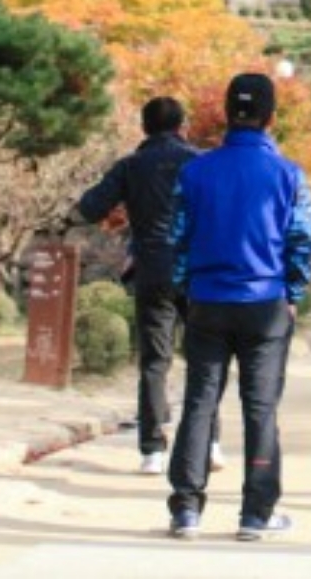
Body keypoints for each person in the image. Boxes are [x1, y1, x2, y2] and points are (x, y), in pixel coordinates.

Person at [164, 71, 311, 542]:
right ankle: (256, 513)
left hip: (207, 300)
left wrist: (184, 286)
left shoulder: (194, 171)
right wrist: (293, 292)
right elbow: (301, 240)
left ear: (227, 113)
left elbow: (178, 238)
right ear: (271, 117)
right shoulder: (289, 174)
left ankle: (186, 509)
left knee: (198, 402)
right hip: (264, 302)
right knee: (260, 408)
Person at [75, 96, 198, 474]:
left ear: (144, 128)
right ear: (182, 126)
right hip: (196, 270)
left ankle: (152, 448)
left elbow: (89, 207)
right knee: (203, 360)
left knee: (154, 360)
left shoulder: (130, 167)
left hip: (151, 268)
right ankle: (207, 442)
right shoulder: (199, 163)